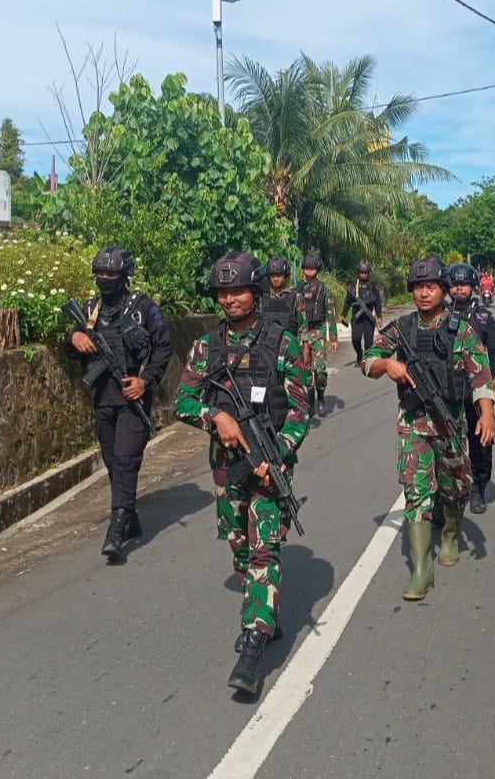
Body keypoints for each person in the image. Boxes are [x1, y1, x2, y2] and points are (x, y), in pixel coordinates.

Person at [173, 253, 313, 696]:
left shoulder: (283, 344)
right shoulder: (205, 348)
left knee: (263, 551)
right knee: (237, 544)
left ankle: (253, 644)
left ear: (256, 293)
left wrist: (281, 454)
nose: (230, 299)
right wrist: (215, 416)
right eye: (223, 292)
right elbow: (182, 402)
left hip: (270, 465)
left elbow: (300, 409)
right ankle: (266, 615)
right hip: (226, 470)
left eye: (238, 291)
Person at [362, 257, 495, 601]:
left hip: (450, 423)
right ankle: (422, 569)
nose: (424, 293)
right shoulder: (401, 329)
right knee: (416, 491)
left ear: (443, 290)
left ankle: (451, 534)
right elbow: (368, 360)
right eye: (418, 287)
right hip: (413, 424)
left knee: (456, 487)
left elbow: (480, 373)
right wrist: (385, 363)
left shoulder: (459, 329)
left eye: (431, 286)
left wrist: (486, 413)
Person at [64, 245, 174, 562]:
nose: (104, 278)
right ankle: (131, 515)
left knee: (126, 459)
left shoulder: (142, 308)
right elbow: (72, 344)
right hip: (103, 399)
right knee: (113, 461)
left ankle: (117, 527)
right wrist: (75, 339)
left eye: (111, 273)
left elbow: (164, 345)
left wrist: (145, 380)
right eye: (100, 273)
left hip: (133, 398)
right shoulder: (89, 310)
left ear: (124, 275)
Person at [445, 263, 495, 514]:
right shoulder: (439, 314)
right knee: (446, 442)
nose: (459, 289)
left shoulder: (483, 317)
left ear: (472, 287)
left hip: (477, 390)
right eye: (455, 284)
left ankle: (478, 488)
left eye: (464, 284)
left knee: (481, 443)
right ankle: (445, 492)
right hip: (447, 390)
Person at [297, 252, 338, 415]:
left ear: (317, 269)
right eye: (306, 268)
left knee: (320, 370)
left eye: (312, 268)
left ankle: (320, 396)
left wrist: (333, 338)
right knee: (305, 372)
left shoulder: (324, 288)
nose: (309, 271)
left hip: (318, 331)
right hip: (301, 333)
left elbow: (331, 314)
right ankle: (309, 401)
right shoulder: (298, 288)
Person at [341, 260, 383, 366]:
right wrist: (343, 315)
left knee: (369, 341)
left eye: (365, 272)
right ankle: (359, 353)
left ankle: (365, 358)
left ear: (369, 273)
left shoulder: (373, 286)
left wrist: (379, 317)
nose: (363, 274)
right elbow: (347, 302)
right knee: (356, 338)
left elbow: (377, 302)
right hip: (357, 317)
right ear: (358, 273)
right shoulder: (353, 286)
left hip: (369, 318)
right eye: (361, 272)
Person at [262, 256, 307, 337]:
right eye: (272, 275)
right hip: (265, 345)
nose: (275, 278)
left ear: (285, 276)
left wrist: (305, 348)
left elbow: (303, 327)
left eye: (279, 275)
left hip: (288, 345)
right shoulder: (263, 297)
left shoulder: (296, 297)